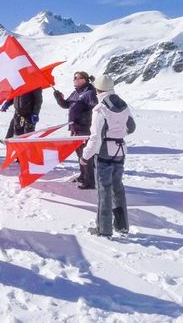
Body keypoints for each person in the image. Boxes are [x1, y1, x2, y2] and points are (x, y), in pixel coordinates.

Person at [81, 74, 136, 237]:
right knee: (118, 188)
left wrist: (85, 156)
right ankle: (122, 226)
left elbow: (95, 137)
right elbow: (131, 127)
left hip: (105, 151)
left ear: (97, 89)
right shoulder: (123, 104)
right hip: (120, 150)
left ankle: (104, 229)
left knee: (104, 190)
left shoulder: (100, 109)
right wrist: (119, 133)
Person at [53, 71, 98, 189]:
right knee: (79, 154)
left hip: (85, 129)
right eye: (74, 78)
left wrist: (83, 118)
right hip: (75, 129)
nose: (75, 80)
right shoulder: (76, 92)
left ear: (84, 79)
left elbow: (95, 109)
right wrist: (58, 97)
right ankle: (83, 176)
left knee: (86, 155)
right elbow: (66, 104)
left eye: (77, 78)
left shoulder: (90, 93)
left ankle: (89, 182)